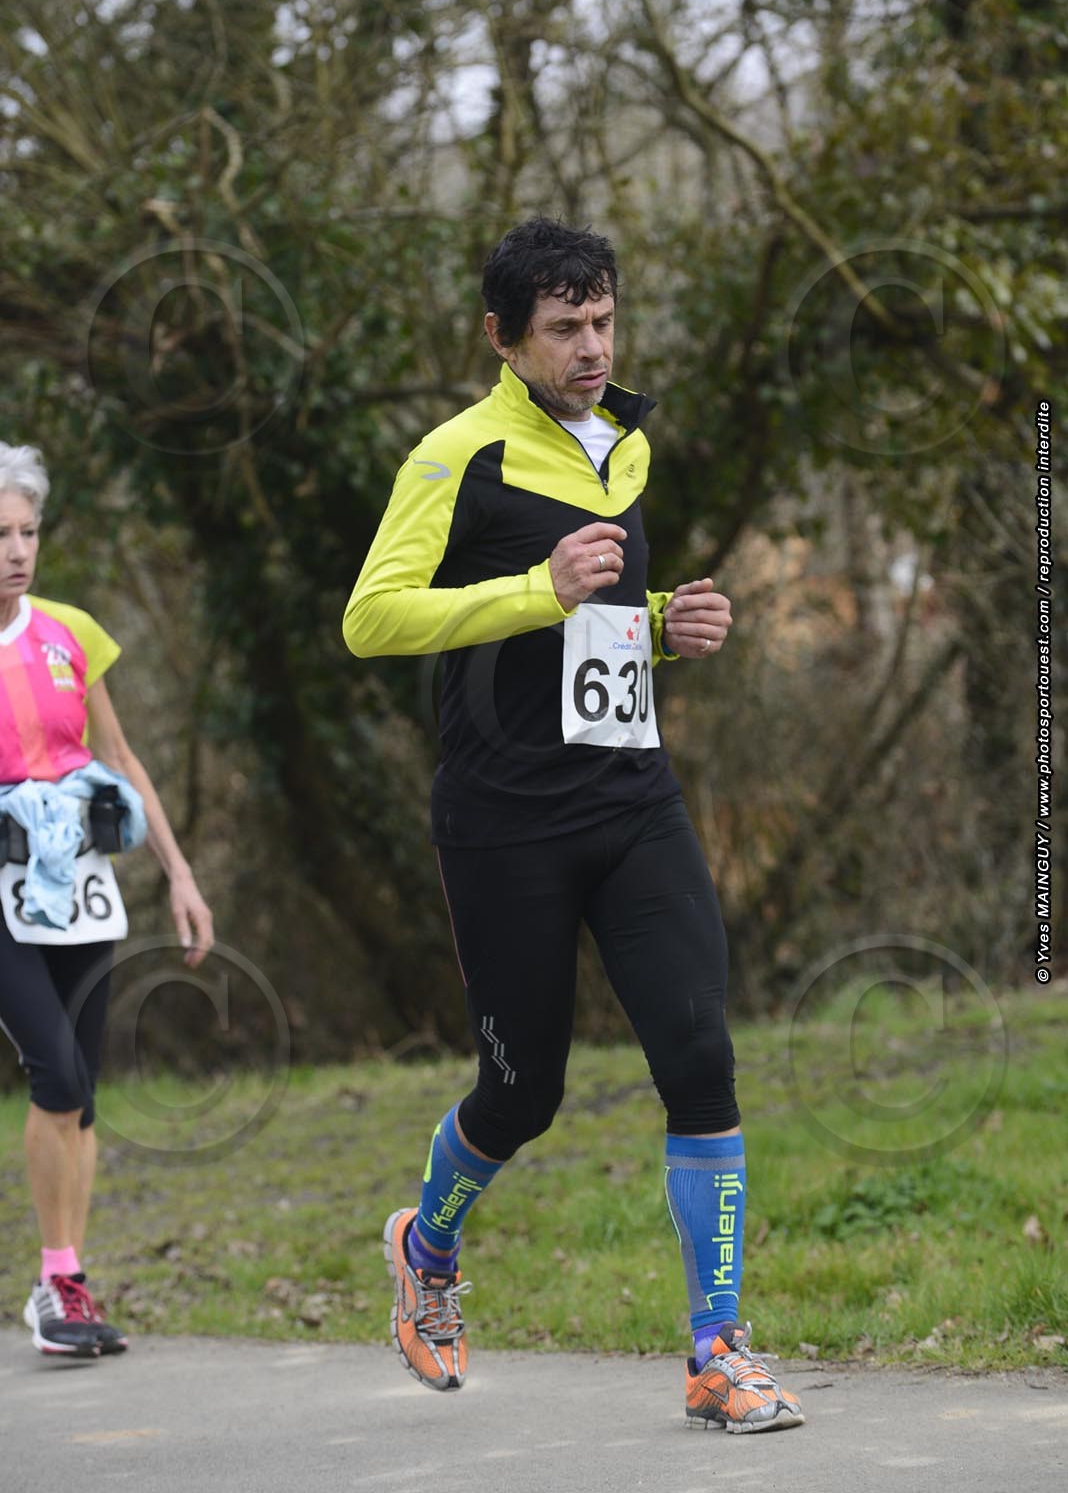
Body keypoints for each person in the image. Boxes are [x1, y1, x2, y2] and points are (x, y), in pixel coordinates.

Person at [343, 217, 803, 1433]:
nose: (592, 347)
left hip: (632, 799)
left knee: (700, 1057)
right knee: (521, 1090)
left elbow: (596, 620)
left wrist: (661, 625)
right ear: (502, 338)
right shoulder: (456, 456)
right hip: (505, 823)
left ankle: (718, 1351)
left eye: (603, 320)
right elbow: (373, 617)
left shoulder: (624, 443)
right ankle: (426, 1248)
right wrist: (532, 587)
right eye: (563, 329)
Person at [0, 442, 214, 1359]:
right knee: (53, 1073)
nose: (17, 551)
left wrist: (180, 873)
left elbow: (119, 758)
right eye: (0, 535)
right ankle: (55, 1285)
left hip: (82, 888)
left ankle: (65, 1281)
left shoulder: (71, 633)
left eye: (27, 531)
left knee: (80, 1093)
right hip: (1, 893)